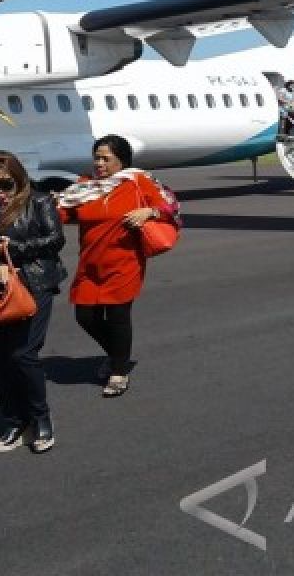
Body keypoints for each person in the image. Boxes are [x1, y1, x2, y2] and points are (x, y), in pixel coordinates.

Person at [57, 135, 177, 397]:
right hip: (90, 264)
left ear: (121, 160)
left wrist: (149, 212)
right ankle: (117, 355)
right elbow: (62, 212)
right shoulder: (85, 186)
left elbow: (170, 205)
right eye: (96, 158)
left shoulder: (137, 181)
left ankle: (119, 371)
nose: (99, 163)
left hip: (125, 262)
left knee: (117, 317)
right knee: (85, 316)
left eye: (105, 159)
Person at [0, 151, 66, 453]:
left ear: (19, 179)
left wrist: (14, 250)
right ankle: (13, 420)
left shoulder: (39, 202)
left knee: (24, 354)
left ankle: (40, 418)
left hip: (33, 283)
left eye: (6, 184)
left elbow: (55, 239)